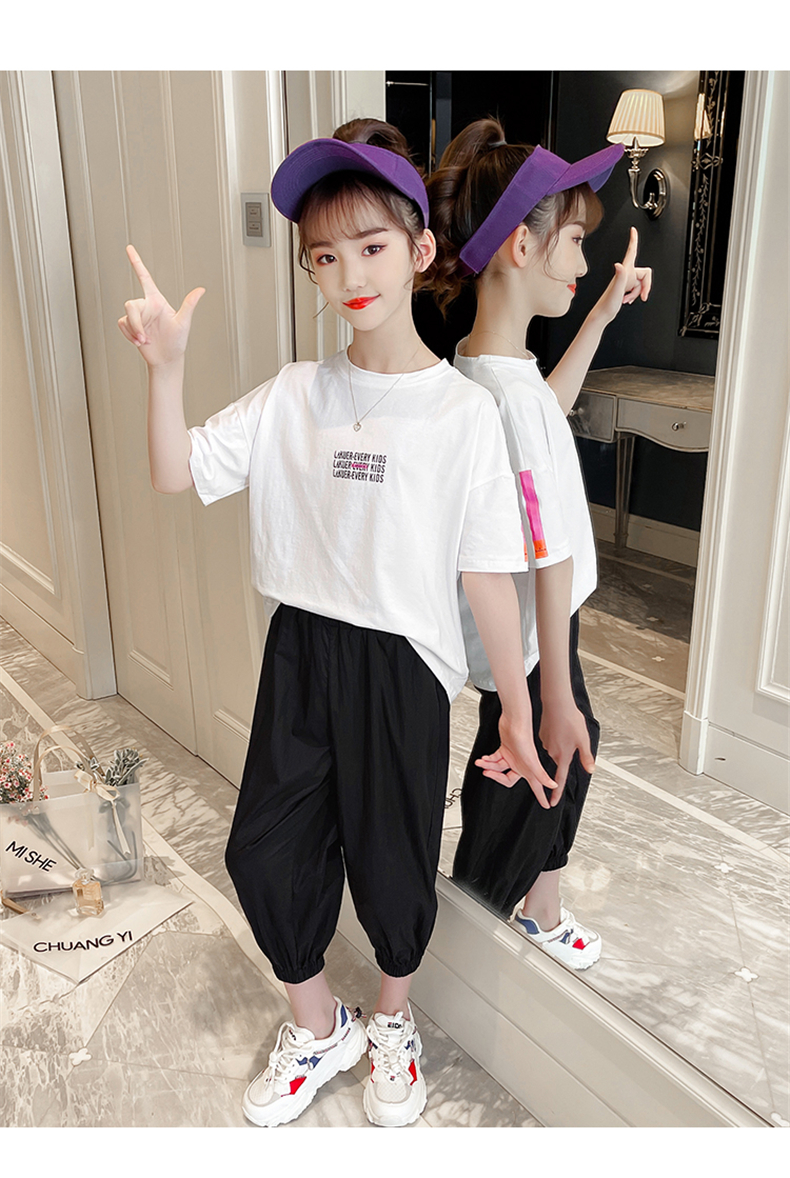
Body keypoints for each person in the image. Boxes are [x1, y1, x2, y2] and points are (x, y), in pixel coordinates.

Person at [118, 118, 557, 1128]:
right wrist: (165, 367)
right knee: (265, 850)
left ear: (420, 249)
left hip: (404, 665)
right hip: (302, 650)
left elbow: (489, 575)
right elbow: (176, 471)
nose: (348, 274)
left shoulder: (462, 415)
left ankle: (391, 1019)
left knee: (392, 858)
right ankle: (320, 1026)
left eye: (370, 245)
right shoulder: (293, 395)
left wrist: (517, 706)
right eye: (324, 255)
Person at [425, 118, 652, 970]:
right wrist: (553, 690)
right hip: (531, 635)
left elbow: (545, 410)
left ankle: (537, 905)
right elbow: (548, 550)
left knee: (547, 758)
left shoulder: (481, 368)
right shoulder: (501, 394)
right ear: (522, 245)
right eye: (576, 241)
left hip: (529, 630)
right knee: (546, 759)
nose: (584, 261)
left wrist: (599, 315)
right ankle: (481, 927)